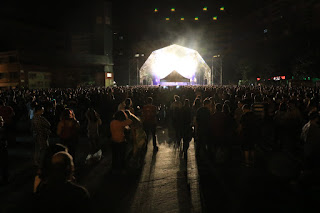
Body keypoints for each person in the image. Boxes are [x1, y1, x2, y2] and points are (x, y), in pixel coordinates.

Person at [31, 105, 51, 170]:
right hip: (42, 135)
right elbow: (48, 124)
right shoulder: (40, 118)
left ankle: (36, 161)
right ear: (39, 110)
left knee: (37, 149)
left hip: (36, 135)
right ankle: (41, 162)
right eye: (42, 110)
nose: (43, 111)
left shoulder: (33, 118)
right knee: (43, 149)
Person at [0, 116, 9, 185]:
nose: (3, 122)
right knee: (4, 166)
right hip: (2, 150)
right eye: (2, 121)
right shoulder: (2, 131)